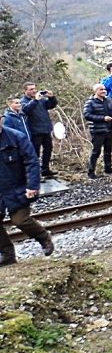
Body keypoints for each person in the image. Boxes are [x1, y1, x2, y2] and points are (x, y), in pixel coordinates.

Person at [0, 124, 54, 266]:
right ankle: (7, 254)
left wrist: (32, 186)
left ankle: (44, 238)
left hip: (16, 188)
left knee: (20, 220)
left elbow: (32, 162)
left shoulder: (17, 137)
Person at [20, 82, 58, 178]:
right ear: (25, 91)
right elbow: (26, 110)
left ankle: (45, 169)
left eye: (34, 88)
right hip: (35, 132)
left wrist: (51, 97)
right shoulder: (23, 101)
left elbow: (51, 105)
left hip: (46, 130)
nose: (34, 91)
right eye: (31, 89)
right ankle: (34, 173)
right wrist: (35, 100)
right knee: (35, 153)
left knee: (48, 150)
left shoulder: (41, 100)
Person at [83, 83, 112, 178]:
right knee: (96, 151)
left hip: (108, 129)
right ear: (96, 91)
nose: (104, 91)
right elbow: (87, 115)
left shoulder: (108, 100)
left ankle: (108, 169)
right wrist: (102, 118)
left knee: (108, 151)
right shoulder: (90, 102)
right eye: (101, 89)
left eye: (104, 89)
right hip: (97, 131)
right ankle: (91, 172)